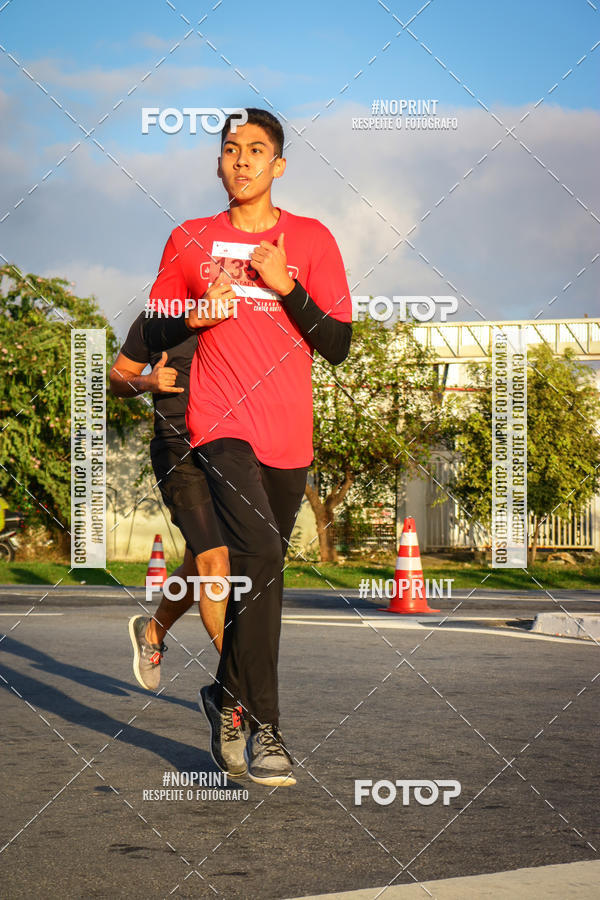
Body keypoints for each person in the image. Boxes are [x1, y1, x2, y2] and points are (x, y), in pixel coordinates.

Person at [148, 107, 352, 786]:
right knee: (261, 551)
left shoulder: (313, 240)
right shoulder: (189, 239)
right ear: (219, 162)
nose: (241, 161)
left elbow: (339, 344)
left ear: (278, 166)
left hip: (288, 437)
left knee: (258, 576)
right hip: (218, 422)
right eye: (230, 149)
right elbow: (149, 329)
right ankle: (267, 729)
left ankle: (223, 697)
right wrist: (191, 312)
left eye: (256, 150)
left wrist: (285, 284)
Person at [109, 310, 250, 777]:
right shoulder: (157, 321)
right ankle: (237, 688)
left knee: (197, 566)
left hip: (232, 448)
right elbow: (116, 379)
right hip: (178, 448)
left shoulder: (243, 310)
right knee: (215, 563)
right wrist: (147, 383)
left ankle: (151, 634)